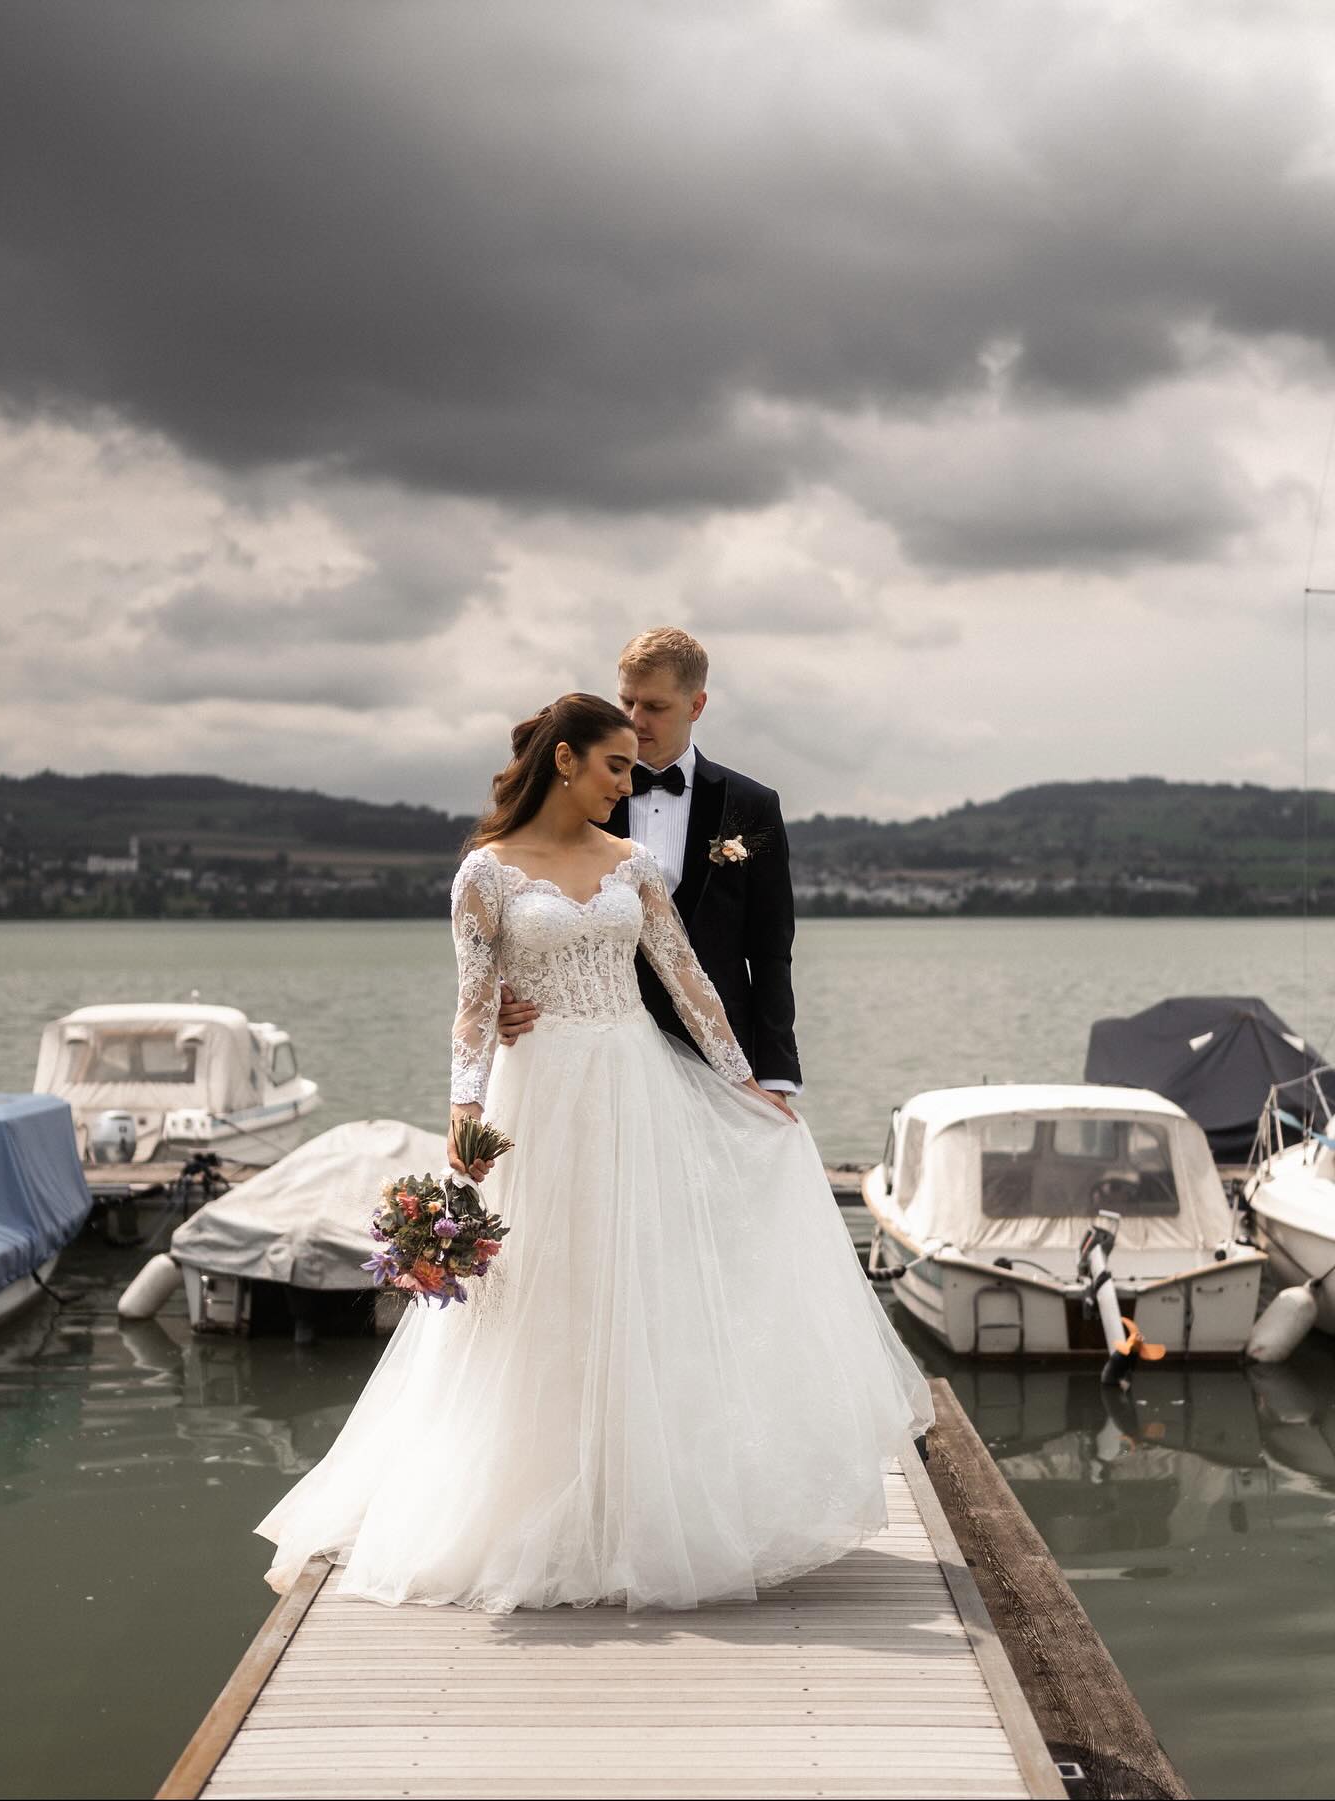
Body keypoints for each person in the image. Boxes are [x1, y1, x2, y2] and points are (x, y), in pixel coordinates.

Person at [256, 692, 931, 1613]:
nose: (627, 778)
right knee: (542, 1287)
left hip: (635, 1083)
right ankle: (535, 1497)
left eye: (631, 764)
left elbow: (689, 980)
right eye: (614, 764)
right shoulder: (485, 876)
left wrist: (749, 1083)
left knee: (642, 1282)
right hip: (535, 1096)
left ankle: (641, 1498)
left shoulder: (636, 864)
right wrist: (462, 1104)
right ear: (565, 761)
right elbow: (474, 999)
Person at [498, 628, 801, 1117]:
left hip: (720, 1055)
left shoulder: (751, 805)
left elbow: (770, 953)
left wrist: (776, 1075)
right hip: (601, 1056)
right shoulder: (580, 799)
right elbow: (521, 908)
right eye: (626, 703)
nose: (635, 720)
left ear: (696, 705)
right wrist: (502, 1002)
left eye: (654, 707)